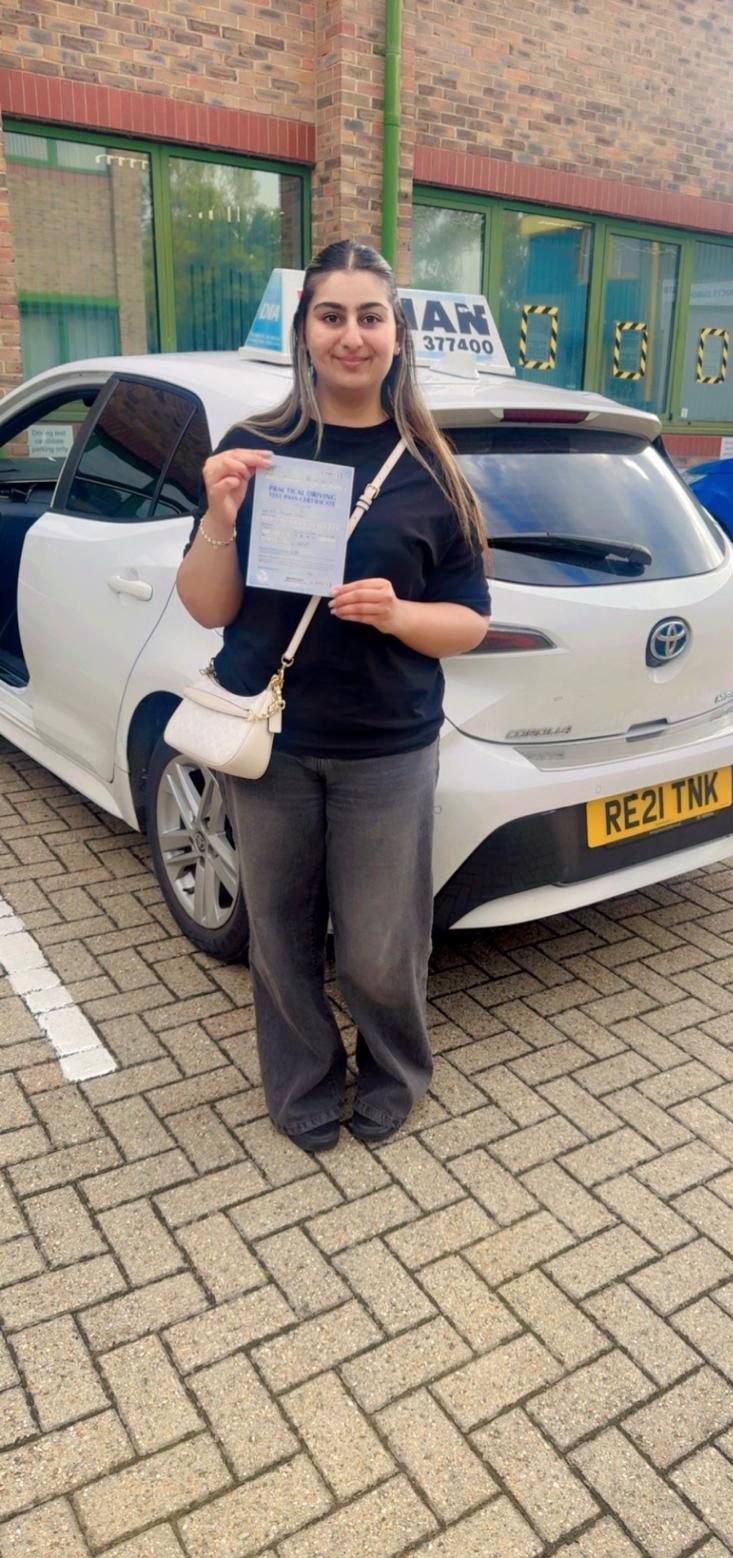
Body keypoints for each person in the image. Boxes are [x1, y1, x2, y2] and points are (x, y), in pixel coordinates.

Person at [175, 240, 491, 1151]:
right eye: (331, 315)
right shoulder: (253, 451)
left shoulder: (430, 466)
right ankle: (303, 1081)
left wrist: (399, 615)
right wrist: (219, 519)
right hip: (269, 736)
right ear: (303, 331)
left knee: (379, 946)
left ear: (397, 336)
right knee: (277, 933)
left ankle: (395, 1073)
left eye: (369, 316)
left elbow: (469, 622)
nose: (350, 335)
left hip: (386, 747)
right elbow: (209, 607)